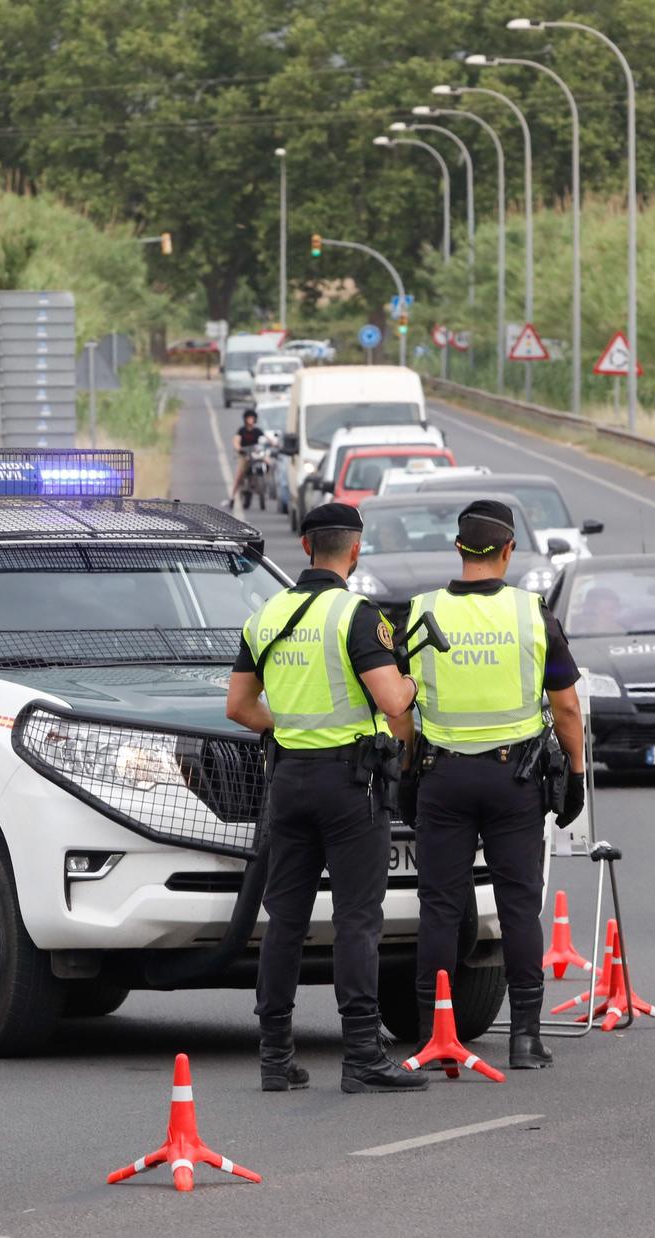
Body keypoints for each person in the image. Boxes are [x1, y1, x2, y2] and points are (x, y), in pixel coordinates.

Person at [226, 502, 429, 1094]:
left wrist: (287, 728)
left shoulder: (266, 615)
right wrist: (412, 679)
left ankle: (274, 1056)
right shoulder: (356, 615)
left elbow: (238, 707)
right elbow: (393, 702)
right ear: (355, 549)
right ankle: (362, 1054)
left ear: (308, 547)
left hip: (288, 782)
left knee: (284, 919)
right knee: (358, 919)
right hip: (351, 786)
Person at [406, 499, 587, 1071]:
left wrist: (409, 768)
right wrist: (577, 775)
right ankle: (526, 1038)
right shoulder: (533, 615)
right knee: (517, 905)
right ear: (508, 550)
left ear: (459, 550)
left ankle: (434, 1036)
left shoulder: (421, 612)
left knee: (438, 906)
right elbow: (566, 708)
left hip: (443, 775)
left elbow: (398, 708)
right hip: (515, 781)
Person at [231, 408, 265, 508]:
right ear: (245, 419)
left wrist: (274, 444)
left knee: (267, 462)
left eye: (252, 418)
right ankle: (232, 497)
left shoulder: (257, 431)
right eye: (249, 418)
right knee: (240, 474)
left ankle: (263, 484)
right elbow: (236, 441)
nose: (250, 420)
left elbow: (266, 439)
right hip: (244, 455)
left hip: (255, 454)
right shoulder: (242, 430)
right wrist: (238, 448)